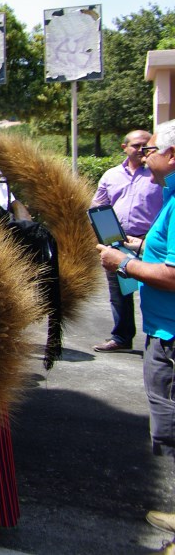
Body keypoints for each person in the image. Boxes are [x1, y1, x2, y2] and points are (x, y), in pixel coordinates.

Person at [97, 121, 175, 537]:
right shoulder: (170, 193)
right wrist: (138, 247)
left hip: (171, 336)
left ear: (172, 155)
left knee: (170, 423)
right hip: (163, 328)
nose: (146, 156)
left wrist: (124, 263)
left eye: (153, 149)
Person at [92, 129, 165, 353]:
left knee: (153, 289)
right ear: (124, 147)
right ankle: (122, 337)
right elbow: (98, 204)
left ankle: (160, 340)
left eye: (146, 145)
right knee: (119, 293)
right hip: (117, 240)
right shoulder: (111, 175)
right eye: (136, 145)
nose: (141, 150)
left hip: (148, 241)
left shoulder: (157, 174)